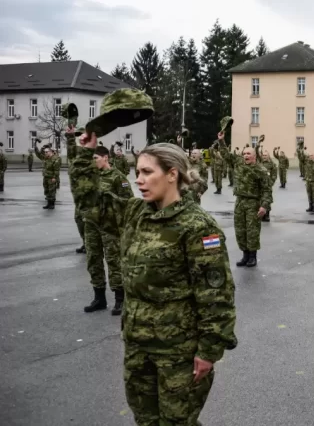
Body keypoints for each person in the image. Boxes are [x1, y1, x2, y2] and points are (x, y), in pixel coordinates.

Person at [71, 128, 236, 426]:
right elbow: (90, 202)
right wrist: (84, 153)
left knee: (176, 422)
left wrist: (209, 351)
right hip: (137, 347)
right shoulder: (135, 212)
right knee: (146, 421)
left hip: (178, 354)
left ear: (172, 174)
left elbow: (216, 296)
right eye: (137, 172)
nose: (139, 179)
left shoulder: (198, 227)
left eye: (147, 172)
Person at [71, 137, 134, 314]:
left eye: (96, 159)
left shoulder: (117, 177)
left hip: (110, 227)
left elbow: (128, 201)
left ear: (105, 158)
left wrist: (110, 196)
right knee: (93, 260)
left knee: (114, 262)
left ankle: (119, 299)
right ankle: (99, 298)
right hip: (91, 224)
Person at [219, 133, 272, 267]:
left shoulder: (260, 170)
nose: (246, 156)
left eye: (248, 154)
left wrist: (264, 206)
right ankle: (245, 255)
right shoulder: (239, 164)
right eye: (244, 154)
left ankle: (252, 256)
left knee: (252, 230)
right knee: (240, 230)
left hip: (253, 203)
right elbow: (226, 155)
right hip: (240, 201)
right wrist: (221, 141)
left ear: (254, 156)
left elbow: (267, 190)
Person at [34, 142, 59, 209]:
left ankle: (52, 204)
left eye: (47, 152)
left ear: (50, 152)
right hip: (45, 177)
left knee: (52, 191)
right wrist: (35, 147)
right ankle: (48, 203)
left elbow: (56, 170)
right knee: (47, 190)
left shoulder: (55, 159)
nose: (45, 153)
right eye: (45, 152)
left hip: (51, 177)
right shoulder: (45, 158)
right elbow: (38, 154)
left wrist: (54, 177)